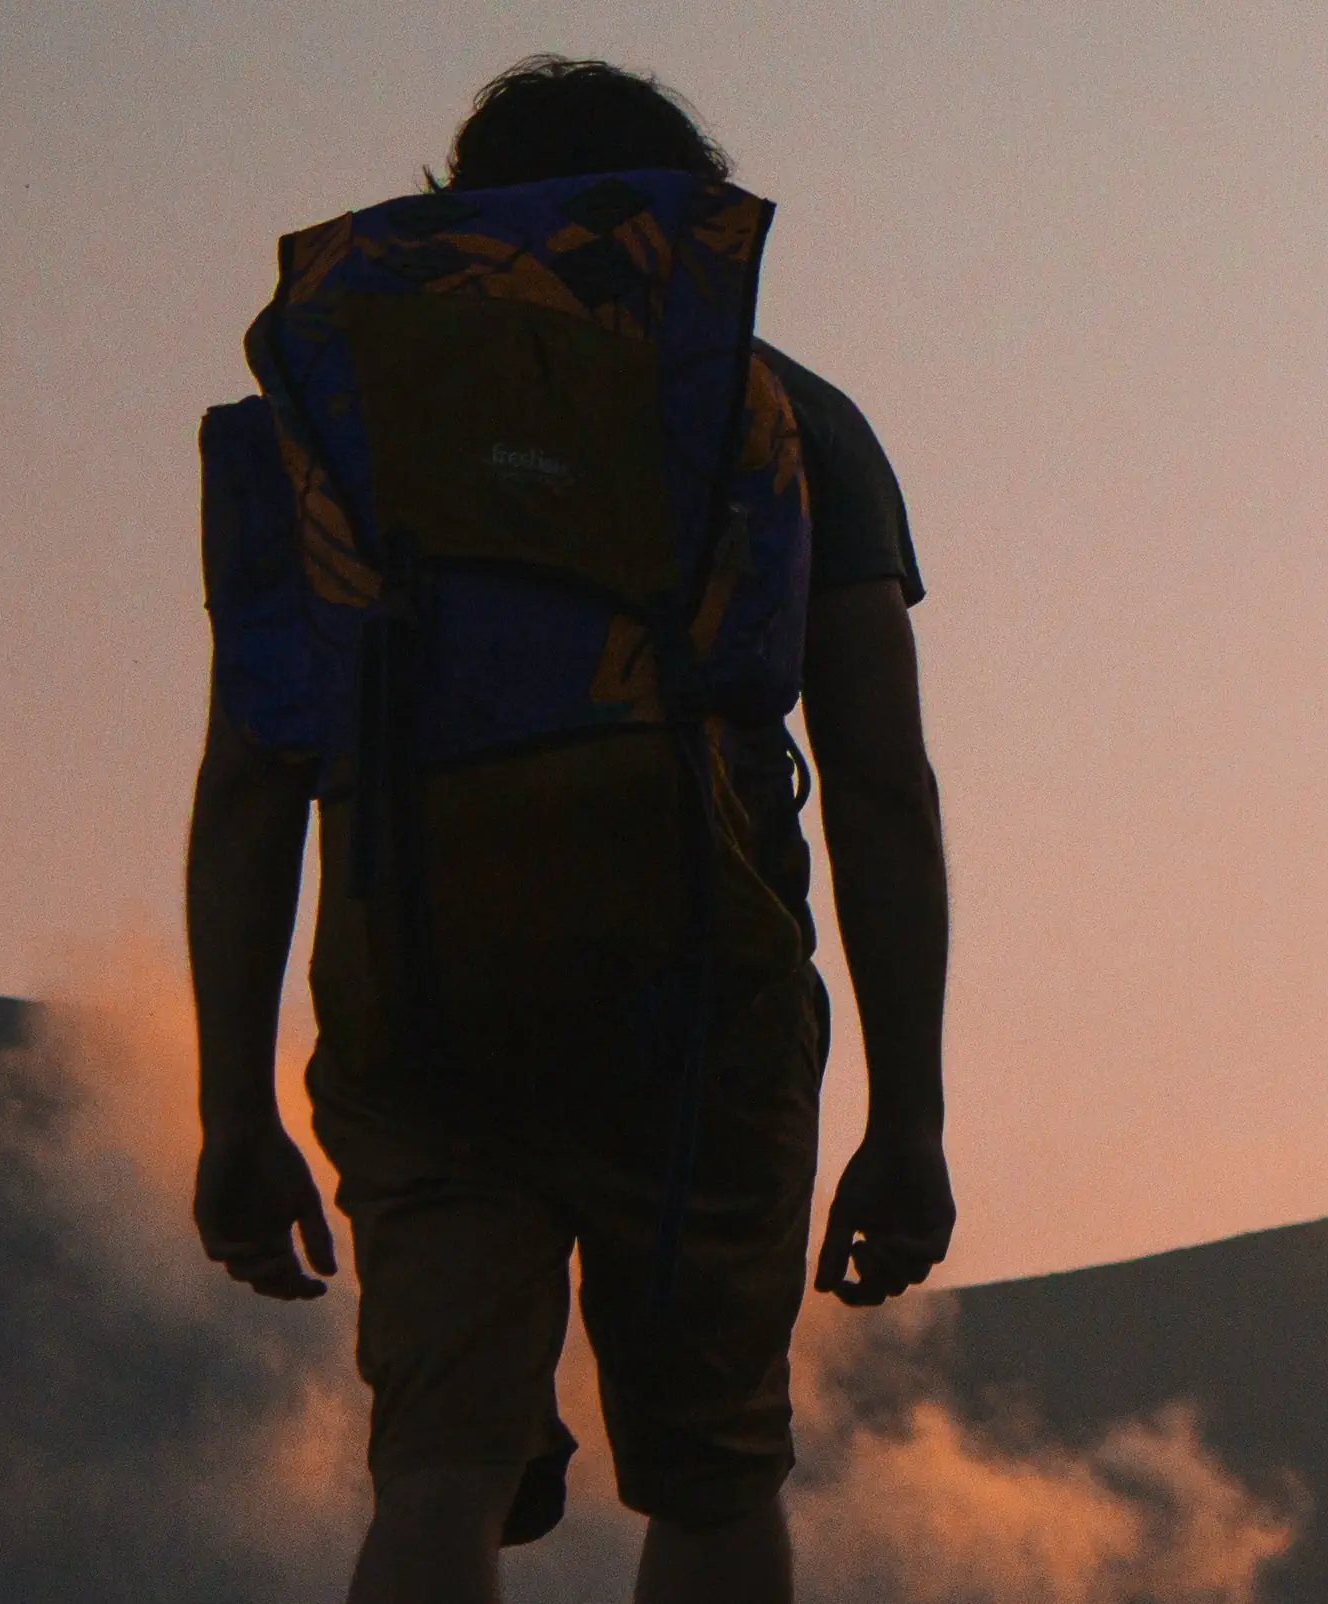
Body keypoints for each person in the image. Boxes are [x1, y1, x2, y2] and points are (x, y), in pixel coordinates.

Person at [179, 57, 951, 1604]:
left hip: (419, 987)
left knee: (436, 1476)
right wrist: (910, 1114)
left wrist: (234, 1110)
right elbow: (878, 779)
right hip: (694, 990)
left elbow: (256, 781)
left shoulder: (340, 429)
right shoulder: (783, 414)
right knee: (713, 1478)